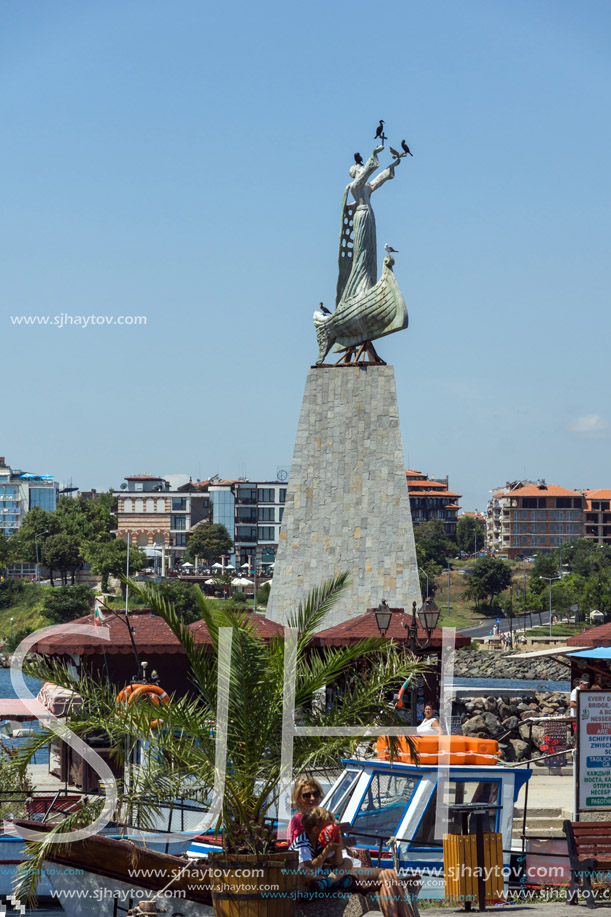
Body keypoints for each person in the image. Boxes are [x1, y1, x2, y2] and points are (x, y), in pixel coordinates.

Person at [290, 806, 417, 917]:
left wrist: (337, 845)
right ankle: (327, 881)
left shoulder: (321, 840)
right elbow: (309, 868)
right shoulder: (302, 843)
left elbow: (338, 863)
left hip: (326, 878)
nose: (331, 828)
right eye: (328, 826)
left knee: (383, 873)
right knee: (388, 875)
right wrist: (326, 850)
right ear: (316, 829)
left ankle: (327, 882)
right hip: (308, 881)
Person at [288, 774, 324, 844]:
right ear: (298, 799)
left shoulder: (319, 817)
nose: (312, 798)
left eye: (315, 794)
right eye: (307, 795)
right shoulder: (298, 822)